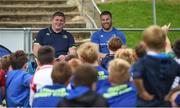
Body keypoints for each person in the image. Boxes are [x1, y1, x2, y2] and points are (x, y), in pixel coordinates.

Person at [132, 25, 180, 107]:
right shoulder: (173, 63)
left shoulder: (142, 62)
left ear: (145, 44)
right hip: (164, 103)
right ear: (164, 43)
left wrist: (143, 93)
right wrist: (170, 93)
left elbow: (136, 77)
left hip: (145, 104)